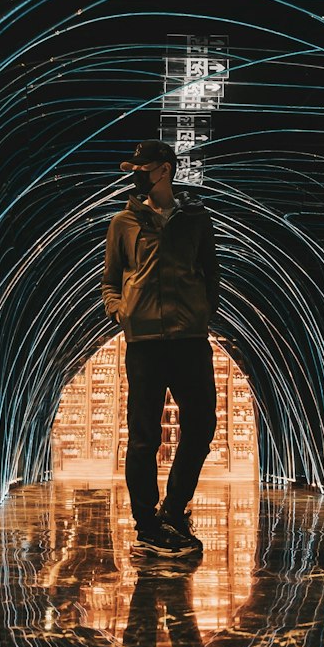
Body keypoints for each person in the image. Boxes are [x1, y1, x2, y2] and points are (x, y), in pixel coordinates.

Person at [102, 140, 219, 556]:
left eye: (144, 168)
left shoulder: (196, 221)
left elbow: (211, 274)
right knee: (143, 436)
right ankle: (147, 523)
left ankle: (172, 510)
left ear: (166, 170)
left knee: (202, 425)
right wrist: (122, 313)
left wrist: (201, 313)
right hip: (145, 342)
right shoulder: (122, 223)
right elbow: (110, 281)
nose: (136, 175)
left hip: (190, 339)